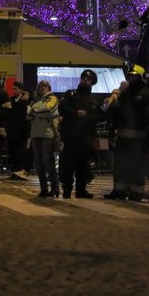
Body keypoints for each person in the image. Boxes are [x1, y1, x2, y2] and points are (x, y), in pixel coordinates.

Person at [104, 65, 149, 202]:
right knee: (120, 165)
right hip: (123, 138)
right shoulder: (124, 93)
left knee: (136, 166)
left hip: (139, 139)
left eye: (134, 76)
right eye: (130, 76)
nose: (131, 78)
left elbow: (146, 114)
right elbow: (116, 112)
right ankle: (119, 191)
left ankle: (136, 192)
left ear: (140, 77)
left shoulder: (145, 92)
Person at [58, 69, 102, 199]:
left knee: (83, 165)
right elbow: (62, 108)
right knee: (67, 165)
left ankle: (81, 190)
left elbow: (102, 115)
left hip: (86, 138)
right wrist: (75, 113)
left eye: (88, 79)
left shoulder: (95, 100)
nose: (85, 80)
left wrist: (90, 118)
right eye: (83, 78)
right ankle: (66, 189)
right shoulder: (70, 94)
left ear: (92, 83)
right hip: (70, 137)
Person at [27, 81, 60, 197]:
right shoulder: (35, 101)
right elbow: (28, 116)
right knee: (39, 164)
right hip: (35, 134)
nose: (43, 88)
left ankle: (55, 188)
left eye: (45, 86)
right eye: (41, 86)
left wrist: (35, 111)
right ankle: (44, 189)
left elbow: (48, 110)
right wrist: (36, 112)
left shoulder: (52, 98)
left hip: (47, 134)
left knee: (48, 162)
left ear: (49, 88)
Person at [7, 81, 32, 180]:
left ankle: (21, 171)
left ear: (21, 90)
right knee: (13, 152)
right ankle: (15, 171)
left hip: (23, 131)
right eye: (13, 89)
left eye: (15, 89)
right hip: (13, 131)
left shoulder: (26, 101)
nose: (13, 91)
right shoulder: (11, 100)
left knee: (21, 152)